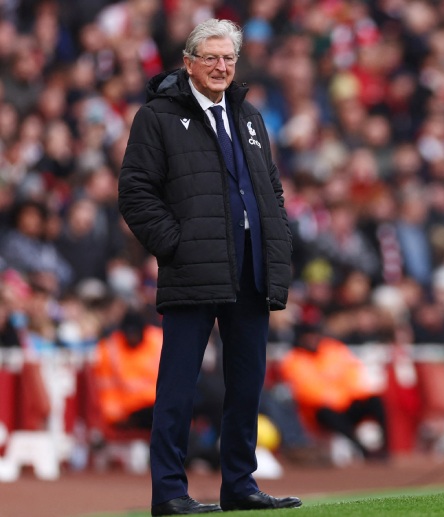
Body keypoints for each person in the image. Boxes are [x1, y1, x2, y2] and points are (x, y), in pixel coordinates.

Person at [118, 19, 299, 516]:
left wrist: (275, 241)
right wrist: (175, 245)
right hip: (192, 268)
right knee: (177, 388)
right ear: (189, 62)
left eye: (229, 59)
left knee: (246, 385)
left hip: (251, 269)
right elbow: (134, 192)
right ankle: (170, 493)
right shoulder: (156, 118)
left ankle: (240, 484)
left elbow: (273, 193)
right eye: (212, 58)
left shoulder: (250, 116)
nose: (222, 67)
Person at [279, 323, 389, 461]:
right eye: (308, 336)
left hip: (345, 402)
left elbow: (353, 373)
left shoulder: (334, 349)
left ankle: (386, 448)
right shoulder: (293, 359)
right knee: (327, 413)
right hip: (319, 411)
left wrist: (345, 395)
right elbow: (305, 391)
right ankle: (362, 449)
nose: (313, 339)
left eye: (315, 335)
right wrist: (334, 396)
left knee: (375, 401)